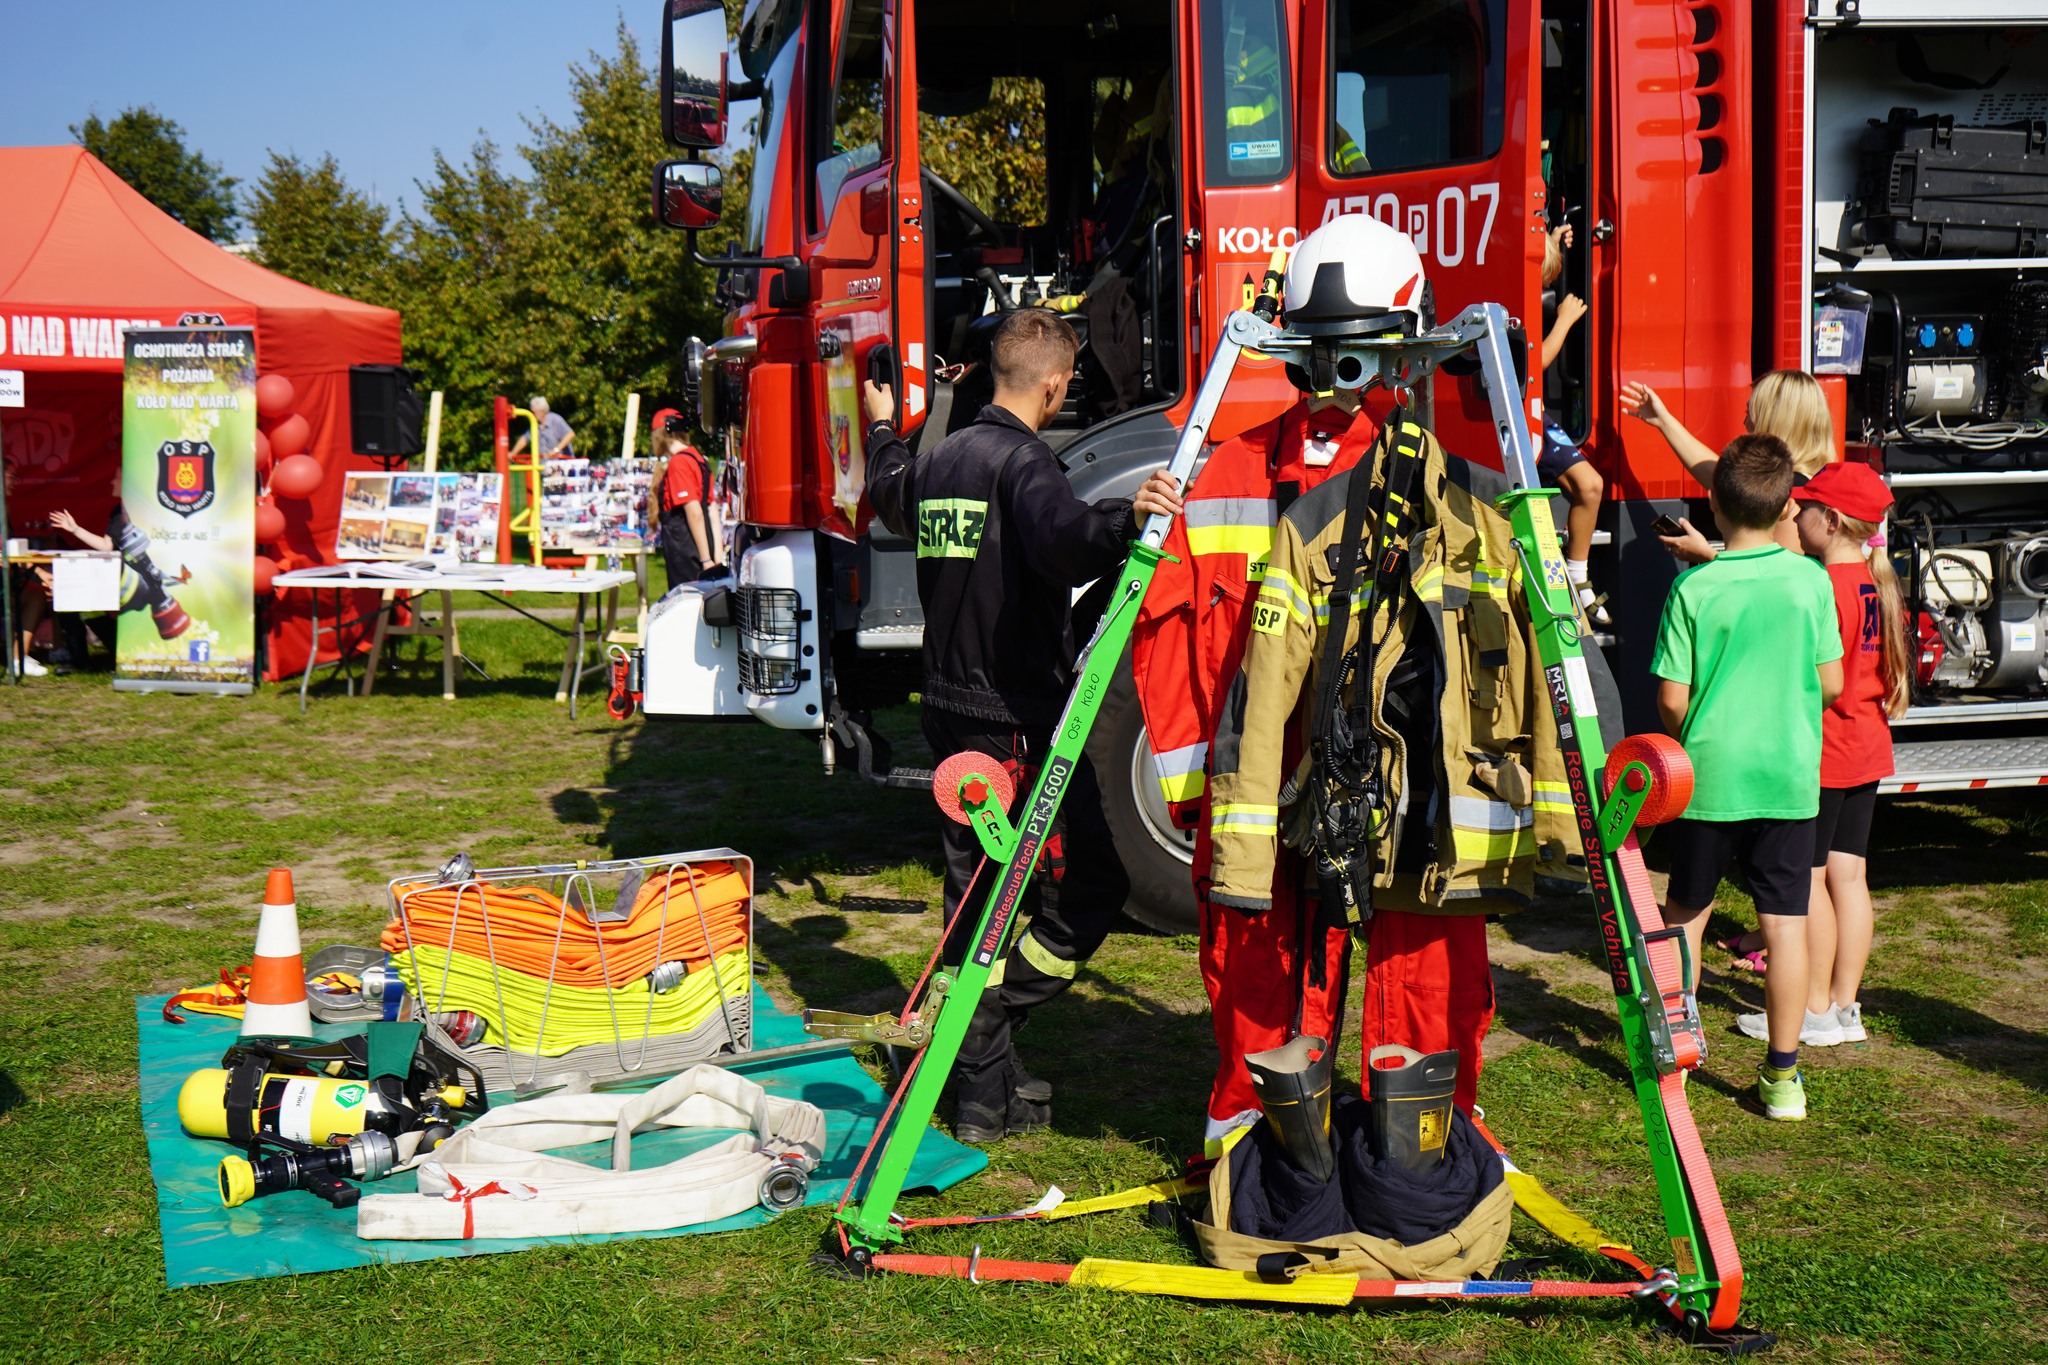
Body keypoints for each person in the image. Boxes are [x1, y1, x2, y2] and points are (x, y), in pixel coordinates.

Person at [864, 309, 1182, 1142]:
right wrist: (1128, 516)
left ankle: (984, 1080)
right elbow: (1066, 540)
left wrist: (882, 425)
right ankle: (982, 1042)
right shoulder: (1023, 463)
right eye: (1067, 380)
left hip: (948, 713)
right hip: (1012, 721)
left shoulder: (940, 463)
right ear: (1051, 384)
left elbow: (889, 488)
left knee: (978, 907)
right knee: (1085, 890)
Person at [1130, 255, 1393, 1149]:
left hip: (1355, 779)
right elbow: (1162, 637)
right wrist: (1190, 780)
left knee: (1342, 939)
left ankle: (1333, 1112)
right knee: (1247, 948)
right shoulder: (1220, 476)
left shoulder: (1412, 476)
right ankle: (1246, 1117)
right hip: (1249, 776)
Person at [1651, 433, 1843, 1121]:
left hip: (1709, 774)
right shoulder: (1810, 582)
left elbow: (1672, 697)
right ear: (1790, 504)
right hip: (1789, 775)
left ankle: (1673, 1041)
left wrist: (1687, 731)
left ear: (1711, 501)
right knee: (1785, 925)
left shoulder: (1695, 586)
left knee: (1686, 914)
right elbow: (1832, 681)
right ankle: (1783, 1076)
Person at [1732, 463, 1906, 1052]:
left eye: (1803, 507)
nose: (1794, 515)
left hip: (1826, 751)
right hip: (1867, 744)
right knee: (1849, 875)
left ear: (1828, 521)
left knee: (1805, 882)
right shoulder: (1875, 580)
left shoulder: (1821, 588)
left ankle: (1809, 1008)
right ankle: (1843, 1006)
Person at [1623, 370, 1833, 564]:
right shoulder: (1798, 481)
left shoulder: (1794, 494)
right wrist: (1663, 420)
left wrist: (1708, 556)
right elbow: (1718, 474)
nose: (1745, 422)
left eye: (1751, 413)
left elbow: (1775, 580)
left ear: (1775, 421)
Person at [1537, 222, 1604, 624]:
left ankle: (1577, 574)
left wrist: (1553, 238)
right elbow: (1536, 361)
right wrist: (1563, 320)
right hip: (1523, 414)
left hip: (1535, 414)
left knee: (1590, 484)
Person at [650, 409, 722, 585]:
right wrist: (717, 558)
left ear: (661, 434)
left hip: (686, 552)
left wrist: (706, 561)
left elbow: (694, 511)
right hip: (703, 547)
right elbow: (712, 512)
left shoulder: (679, 463)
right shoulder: (699, 459)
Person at [511, 396, 576, 459]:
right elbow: (524, 439)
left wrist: (555, 450)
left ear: (542, 411)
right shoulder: (535, 424)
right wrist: (513, 453)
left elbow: (570, 434)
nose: (532, 414)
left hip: (561, 465)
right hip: (545, 466)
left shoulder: (555, 420)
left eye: (533, 412)